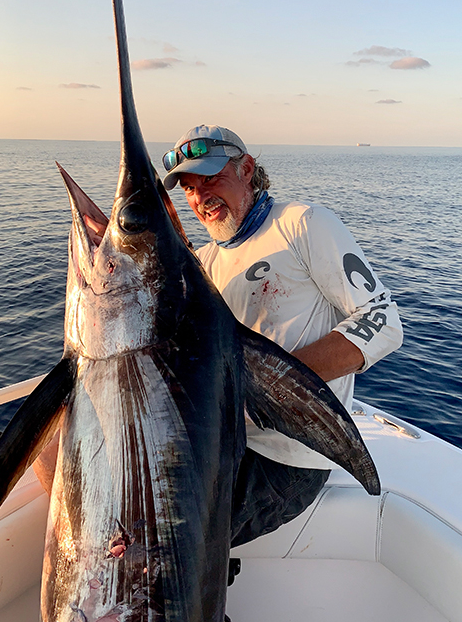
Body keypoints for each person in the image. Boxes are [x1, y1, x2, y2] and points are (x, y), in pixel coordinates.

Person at [162, 124, 403, 559]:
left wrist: (271, 390)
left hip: (290, 458)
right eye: (190, 189)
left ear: (247, 169)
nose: (200, 198)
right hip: (223, 442)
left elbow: (382, 320)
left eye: (212, 179)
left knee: (173, 547)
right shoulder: (205, 261)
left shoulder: (302, 223)